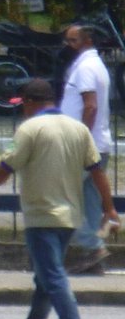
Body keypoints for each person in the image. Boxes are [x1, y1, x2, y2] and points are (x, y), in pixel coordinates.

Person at [0, 77, 120, 319]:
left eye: (23, 105)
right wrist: (109, 207)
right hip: (69, 217)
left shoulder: (31, 129)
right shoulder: (78, 129)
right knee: (44, 280)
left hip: (41, 215)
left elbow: (7, 165)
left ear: (30, 103)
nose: (22, 110)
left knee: (52, 277)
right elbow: (97, 171)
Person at [60, 23, 113, 272]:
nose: (67, 46)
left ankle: (57, 249)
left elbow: (89, 106)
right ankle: (93, 251)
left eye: (73, 41)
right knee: (90, 199)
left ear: (87, 41)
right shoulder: (95, 66)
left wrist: (80, 137)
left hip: (83, 146)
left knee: (61, 192)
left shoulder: (85, 69)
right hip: (97, 144)